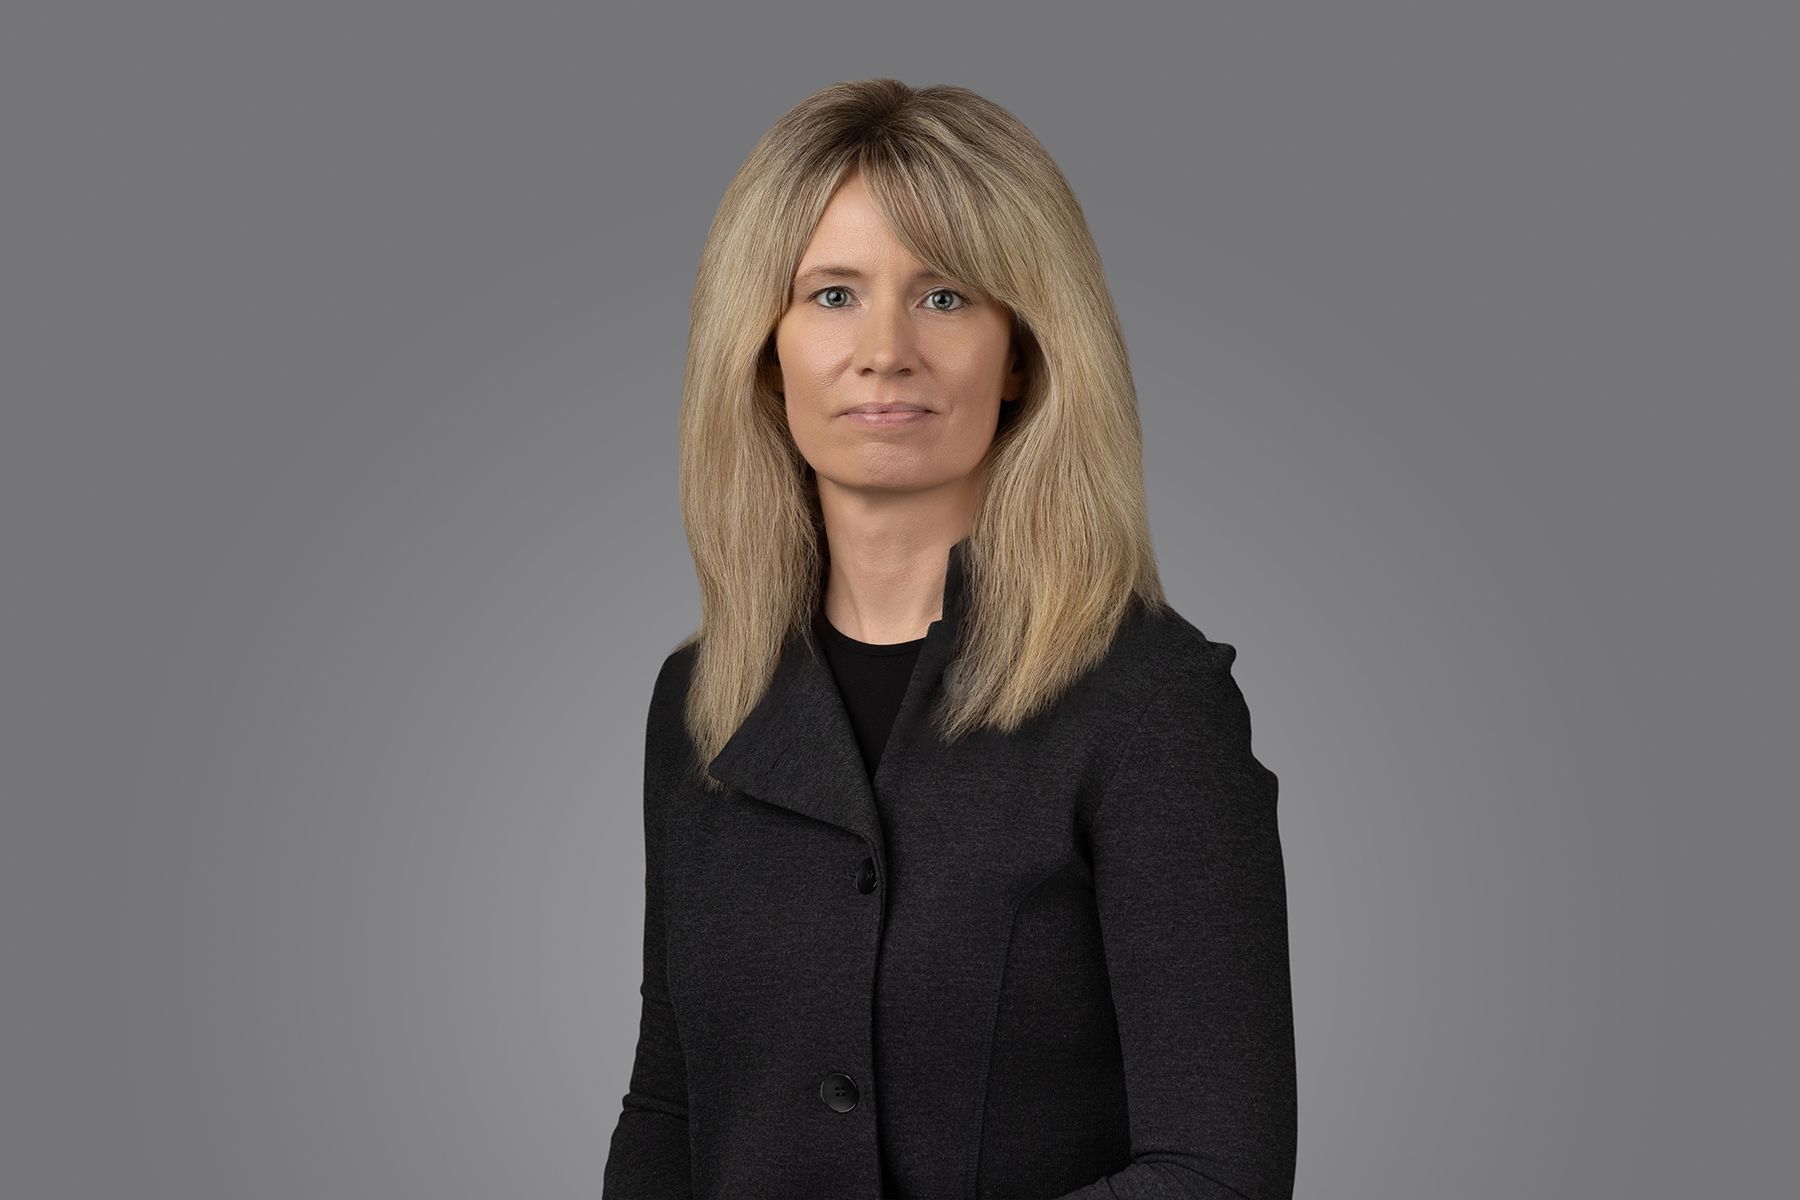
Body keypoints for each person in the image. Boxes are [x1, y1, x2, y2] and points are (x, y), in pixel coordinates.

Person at [603, 78, 1296, 1200]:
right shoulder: (700, 703)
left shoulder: (1150, 703)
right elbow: (672, 1112)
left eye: (945, 297)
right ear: (764, 355)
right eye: (831, 294)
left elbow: (1219, 1173)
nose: (885, 350)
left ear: (1022, 351)